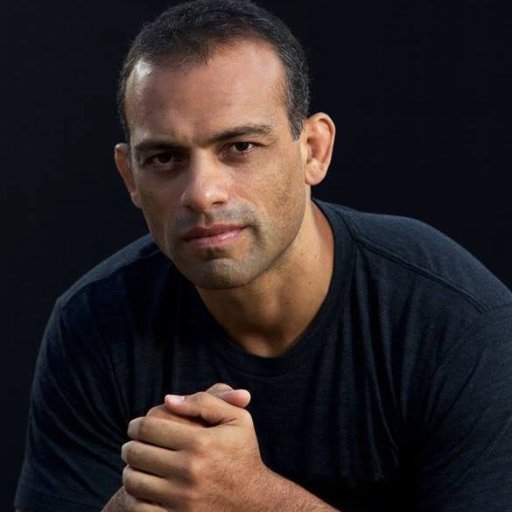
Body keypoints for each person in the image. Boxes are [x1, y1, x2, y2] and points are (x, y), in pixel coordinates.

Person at [14, 0, 512, 510]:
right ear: (130, 177)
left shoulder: (457, 321)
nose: (202, 193)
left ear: (313, 150)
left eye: (241, 147)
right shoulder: (94, 325)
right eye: (164, 158)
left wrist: (253, 498)